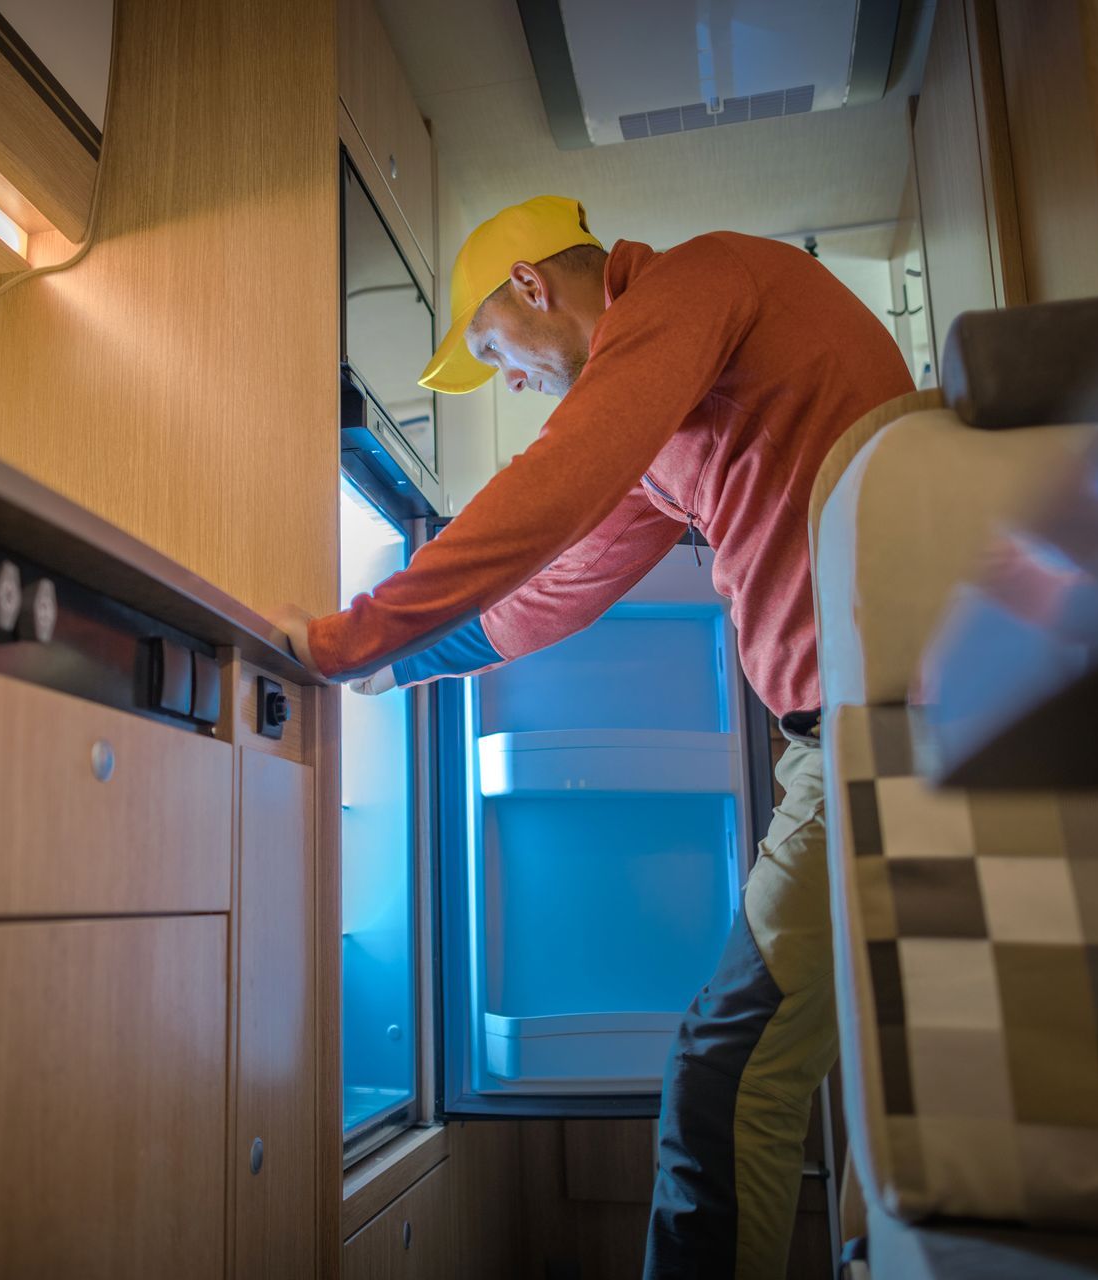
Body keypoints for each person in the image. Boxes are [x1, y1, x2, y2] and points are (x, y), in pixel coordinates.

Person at [276, 194, 914, 1278]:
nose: (511, 381)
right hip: (855, 734)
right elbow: (560, 588)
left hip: (889, 728)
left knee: (727, 1075)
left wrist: (351, 635)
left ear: (531, 285)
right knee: (762, 1066)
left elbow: (558, 485)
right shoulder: (671, 410)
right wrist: (397, 665)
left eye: (494, 351)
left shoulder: (695, 281)